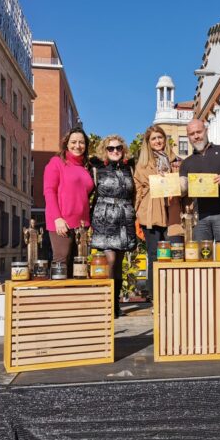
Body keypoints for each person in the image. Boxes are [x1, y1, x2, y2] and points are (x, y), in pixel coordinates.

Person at [179, 118, 220, 317]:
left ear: (205, 130)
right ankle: (205, 302)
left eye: (198, 132)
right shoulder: (187, 163)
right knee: (201, 259)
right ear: (188, 137)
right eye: (192, 134)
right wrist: (169, 182)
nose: (196, 136)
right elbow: (182, 187)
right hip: (201, 216)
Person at [89, 134, 137, 318]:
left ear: (123, 149)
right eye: (111, 148)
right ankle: (106, 302)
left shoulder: (129, 168)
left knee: (119, 265)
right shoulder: (96, 168)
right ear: (105, 150)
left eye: (118, 148)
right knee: (110, 261)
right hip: (105, 217)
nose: (115, 151)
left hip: (124, 218)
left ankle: (115, 303)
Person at [133, 125, 183, 301]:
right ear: (148, 143)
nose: (157, 141)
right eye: (153, 139)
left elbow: (183, 186)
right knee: (154, 254)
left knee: (174, 253)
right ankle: (156, 296)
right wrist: (138, 212)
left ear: (165, 139)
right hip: (151, 213)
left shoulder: (176, 161)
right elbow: (137, 191)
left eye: (159, 137)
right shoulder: (142, 165)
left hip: (172, 213)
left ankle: (174, 294)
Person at [43, 127, 94, 272]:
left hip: (82, 225)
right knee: (61, 263)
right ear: (66, 143)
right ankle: (58, 295)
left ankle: (77, 295)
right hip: (62, 222)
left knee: (79, 268)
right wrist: (57, 218)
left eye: (81, 142)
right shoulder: (57, 162)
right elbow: (49, 191)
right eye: (74, 142)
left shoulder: (86, 167)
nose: (77, 146)